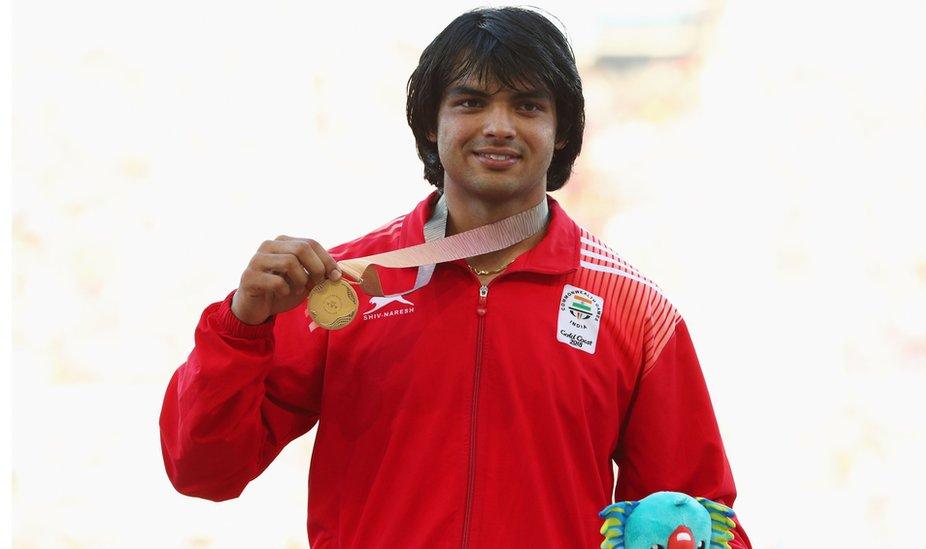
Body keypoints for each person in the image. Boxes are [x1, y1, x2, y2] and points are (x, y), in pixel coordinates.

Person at [159, 7, 752, 548]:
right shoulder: (343, 286)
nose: (499, 126)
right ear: (430, 125)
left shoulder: (633, 311)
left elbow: (695, 519)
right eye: (469, 102)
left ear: (563, 131)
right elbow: (205, 471)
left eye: (527, 105)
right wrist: (242, 326)